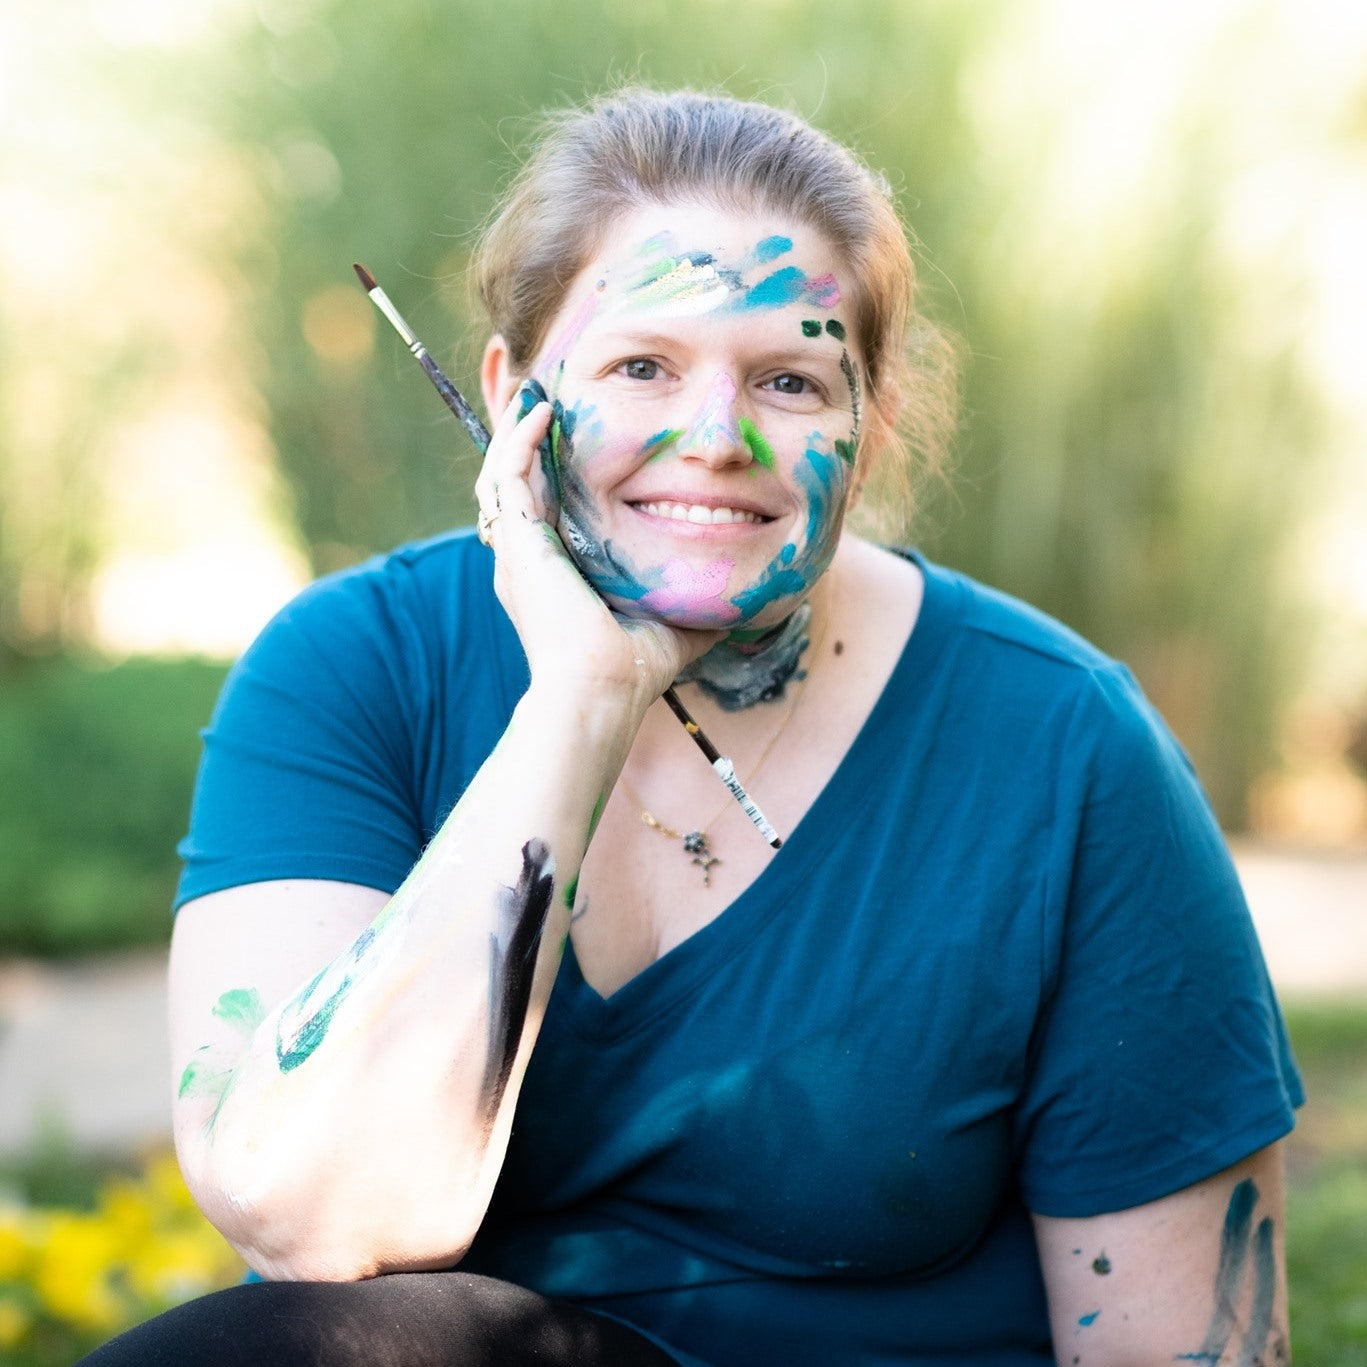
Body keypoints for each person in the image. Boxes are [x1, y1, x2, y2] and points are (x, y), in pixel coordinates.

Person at [84, 87, 1302, 1366]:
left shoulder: (1066, 747)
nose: (712, 438)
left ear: (869, 424)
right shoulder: (350, 669)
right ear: (510, 400)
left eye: (787, 379)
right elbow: (319, 1227)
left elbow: (1182, 1347)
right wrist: (580, 698)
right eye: (641, 365)